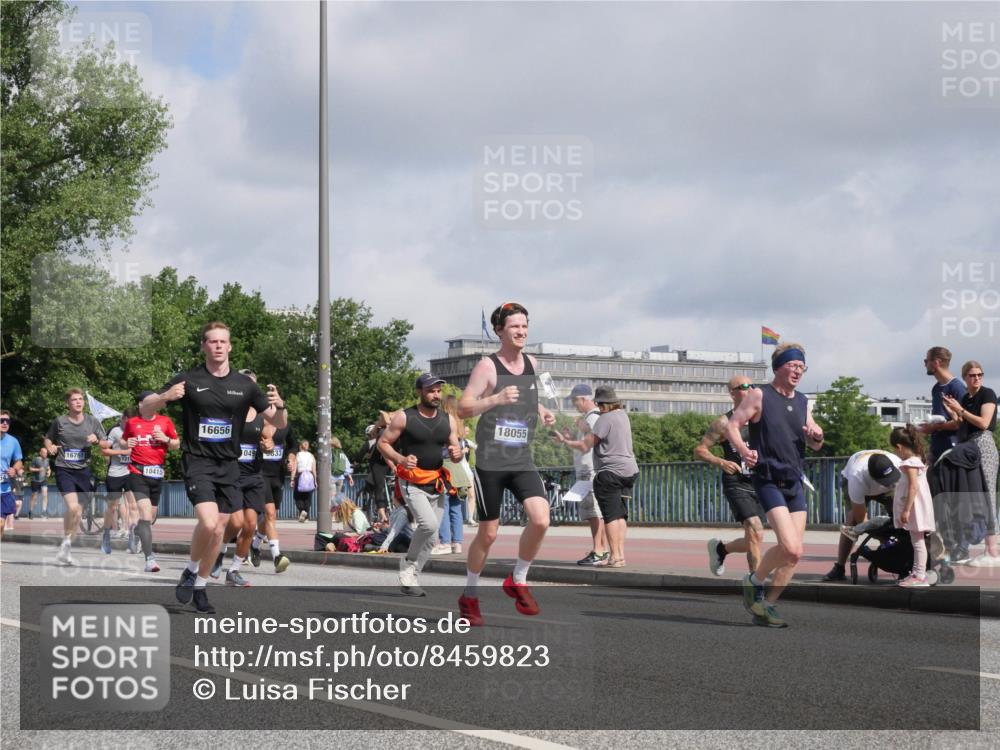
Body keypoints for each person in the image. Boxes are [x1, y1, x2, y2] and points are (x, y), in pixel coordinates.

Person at [142, 321, 286, 614]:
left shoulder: (245, 385)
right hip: (198, 460)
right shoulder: (189, 379)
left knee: (223, 529)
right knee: (209, 523)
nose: (218, 346)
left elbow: (278, 422)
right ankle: (191, 569)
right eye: (212, 341)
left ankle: (199, 585)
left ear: (230, 346)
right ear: (204, 346)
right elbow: (146, 408)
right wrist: (165, 397)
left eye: (223, 342)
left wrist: (280, 406)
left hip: (229, 464)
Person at [458, 303, 556, 625]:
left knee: (541, 519)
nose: (522, 332)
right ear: (500, 330)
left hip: (521, 457)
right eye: (515, 327)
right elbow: (463, 408)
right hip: (490, 461)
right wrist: (495, 400)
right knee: (488, 533)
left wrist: (541, 410)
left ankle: (518, 578)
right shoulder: (487, 367)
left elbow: (528, 394)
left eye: (525, 326)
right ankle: (470, 595)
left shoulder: (532, 362)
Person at [727, 343, 824, 628]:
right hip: (768, 478)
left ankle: (765, 605)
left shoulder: (804, 401)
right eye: (793, 366)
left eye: (802, 367)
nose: (798, 371)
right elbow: (733, 425)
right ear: (779, 367)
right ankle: (753, 581)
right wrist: (744, 451)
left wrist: (817, 437)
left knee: (794, 554)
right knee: (790, 548)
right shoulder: (760, 395)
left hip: (795, 479)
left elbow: (815, 441)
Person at [378, 373, 463, 596]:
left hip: (436, 482)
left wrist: (457, 453)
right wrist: (401, 459)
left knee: (432, 538)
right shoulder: (404, 417)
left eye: (438, 390)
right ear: (419, 392)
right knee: (429, 525)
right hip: (411, 480)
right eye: (430, 390)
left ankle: (411, 576)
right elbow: (383, 443)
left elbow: (455, 452)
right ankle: (408, 563)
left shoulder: (448, 420)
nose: (435, 395)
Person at [694, 377, 766, 576]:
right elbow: (700, 450)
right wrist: (721, 462)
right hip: (736, 482)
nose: (750, 389)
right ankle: (755, 584)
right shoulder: (723, 422)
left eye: (752, 385)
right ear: (732, 393)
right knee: (755, 527)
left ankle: (721, 549)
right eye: (743, 387)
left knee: (755, 537)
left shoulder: (761, 419)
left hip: (760, 482)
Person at [44, 389, 112, 565]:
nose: (78, 402)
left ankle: (66, 546)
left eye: (80, 399)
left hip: (83, 470)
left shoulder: (92, 421)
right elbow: (48, 439)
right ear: (68, 403)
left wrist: (97, 440)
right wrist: (50, 447)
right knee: (73, 508)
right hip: (64, 468)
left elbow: (106, 443)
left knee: (77, 513)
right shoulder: (60, 421)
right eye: (74, 400)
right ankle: (65, 546)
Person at [944, 360, 999, 566]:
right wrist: (954, 413)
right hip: (967, 446)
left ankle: (992, 550)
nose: (976, 378)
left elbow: (984, 423)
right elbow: (961, 424)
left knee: (987, 495)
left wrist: (961, 410)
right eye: (972, 375)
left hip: (983, 444)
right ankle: (965, 547)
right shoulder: (965, 398)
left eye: (979, 374)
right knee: (970, 496)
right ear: (965, 377)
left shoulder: (988, 394)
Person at [575, 386, 638, 567]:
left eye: (599, 404)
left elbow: (586, 445)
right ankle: (621, 555)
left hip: (609, 473)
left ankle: (615, 557)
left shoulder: (605, 419)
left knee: (610, 516)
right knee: (620, 516)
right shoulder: (623, 416)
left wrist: (566, 439)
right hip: (629, 471)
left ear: (602, 404)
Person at [820, 449, 902, 582]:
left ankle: (904, 563)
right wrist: (884, 539)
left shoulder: (899, 464)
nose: (890, 482)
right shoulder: (856, 478)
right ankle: (839, 568)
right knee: (852, 524)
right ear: (873, 478)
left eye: (891, 478)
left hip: (886, 485)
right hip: (857, 482)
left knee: (900, 518)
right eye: (885, 481)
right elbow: (862, 521)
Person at [123, 391, 180, 572]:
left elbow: (177, 444)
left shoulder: (165, 422)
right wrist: (128, 443)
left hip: (157, 474)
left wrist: (166, 439)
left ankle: (138, 531)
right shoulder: (132, 423)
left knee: (151, 517)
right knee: (145, 514)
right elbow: (124, 441)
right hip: (137, 472)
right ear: (141, 405)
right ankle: (150, 560)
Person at [552, 384, 608, 565]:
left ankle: (598, 551)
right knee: (594, 512)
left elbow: (586, 445)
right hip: (587, 471)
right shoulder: (590, 418)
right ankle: (602, 550)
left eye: (575, 401)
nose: (574, 405)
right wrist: (569, 439)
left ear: (584, 399)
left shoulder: (592, 418)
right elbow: (584, 442)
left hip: (590, 471)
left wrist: (565, 441)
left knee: (594, 512)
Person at [889, 425, 937, 587]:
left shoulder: (910, 463)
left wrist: (906, 510)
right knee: (917, 540)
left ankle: (919, 575)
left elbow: (913, 486)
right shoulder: (918, 459)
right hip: (918, 506)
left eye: (895, 450)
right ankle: (917, 573)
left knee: (917, 541)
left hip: (915, 507)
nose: (896, 453)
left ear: (900, 447)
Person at [251, 421, 293, 571]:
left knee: (271, 517)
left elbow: (293, 445)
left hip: (278, 476)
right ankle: (277, 556)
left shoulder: (285, 425)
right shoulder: (255, 425)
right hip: (260, 474)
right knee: (269, 514)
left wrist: (291, 459)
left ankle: (254, 546)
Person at [435, 394, 469, 555]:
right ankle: (457, 543)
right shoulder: (461, 426)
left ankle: (445, 542)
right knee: (456, 508)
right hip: (459, 471)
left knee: (443, 506)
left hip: (445, 470)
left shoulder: (444, 425)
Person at [101, 409, 137, 555]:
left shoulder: (138, 430)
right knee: (112, 507)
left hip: (132, 472)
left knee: (134, 506)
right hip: (115, 473)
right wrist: (122, 452)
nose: (129, 425)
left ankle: (133, 539)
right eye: (126, 422)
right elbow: (104, 450)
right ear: (122, 419)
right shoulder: (115, 431)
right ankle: (106, 536)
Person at [1, 411, 24, 538]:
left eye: (7, 421)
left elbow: (19, 461)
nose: (5, 423)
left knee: (0, 524)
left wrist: (14, 469)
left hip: (4, 487)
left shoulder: (13, 441)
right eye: (1, 420)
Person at [291, 439, 316, 523]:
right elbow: (314, 470)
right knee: (308, 496)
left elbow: (294, 469)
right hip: (310, 476)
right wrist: (315, 480)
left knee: (298, 496)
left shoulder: (297, 455)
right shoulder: (311, 456)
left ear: (300, 446)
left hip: (300, 476)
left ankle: (302, 511)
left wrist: (292, 479)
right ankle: (306, 517)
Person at [27, 447, 51, 519]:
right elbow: (30, 468)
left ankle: (44, 511)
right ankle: (31, 511)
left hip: (44, 480)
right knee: (34, 496)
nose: (45, 454)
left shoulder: (47, 460)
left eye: (46, 453)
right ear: (40, 453)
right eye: (44, 453)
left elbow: (48, 467)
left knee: (45, 494)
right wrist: (38, 469)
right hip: (35, 480)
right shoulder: (36, 459)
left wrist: (49, 471)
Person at [330, 436, 353, 501]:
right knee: (337, 498)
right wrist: (350, 477)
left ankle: (331, 511)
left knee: (331, 499)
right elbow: (347, 466)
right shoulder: (342, 453)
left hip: (331, 478)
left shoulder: (329, 453)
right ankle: (337, 510)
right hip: (340, 478)